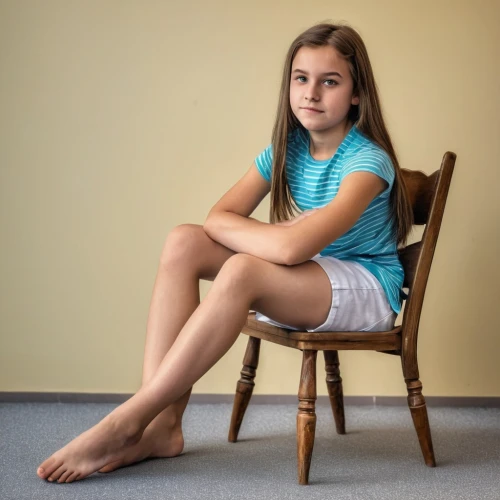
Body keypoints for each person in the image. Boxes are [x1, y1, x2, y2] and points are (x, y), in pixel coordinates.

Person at [36, 22, 413, 484]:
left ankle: (130, 419)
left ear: (356, 94)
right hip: (313, 277)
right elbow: (217, 218)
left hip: (366, 287)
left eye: (329, 81)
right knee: (184, 240)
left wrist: (283, 238)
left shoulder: (366, 162)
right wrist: (281, 237)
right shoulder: (287, 148)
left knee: (241, 271)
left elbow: (294, 247)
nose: (311, 92)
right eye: (301, 78)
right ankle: (162, 426)